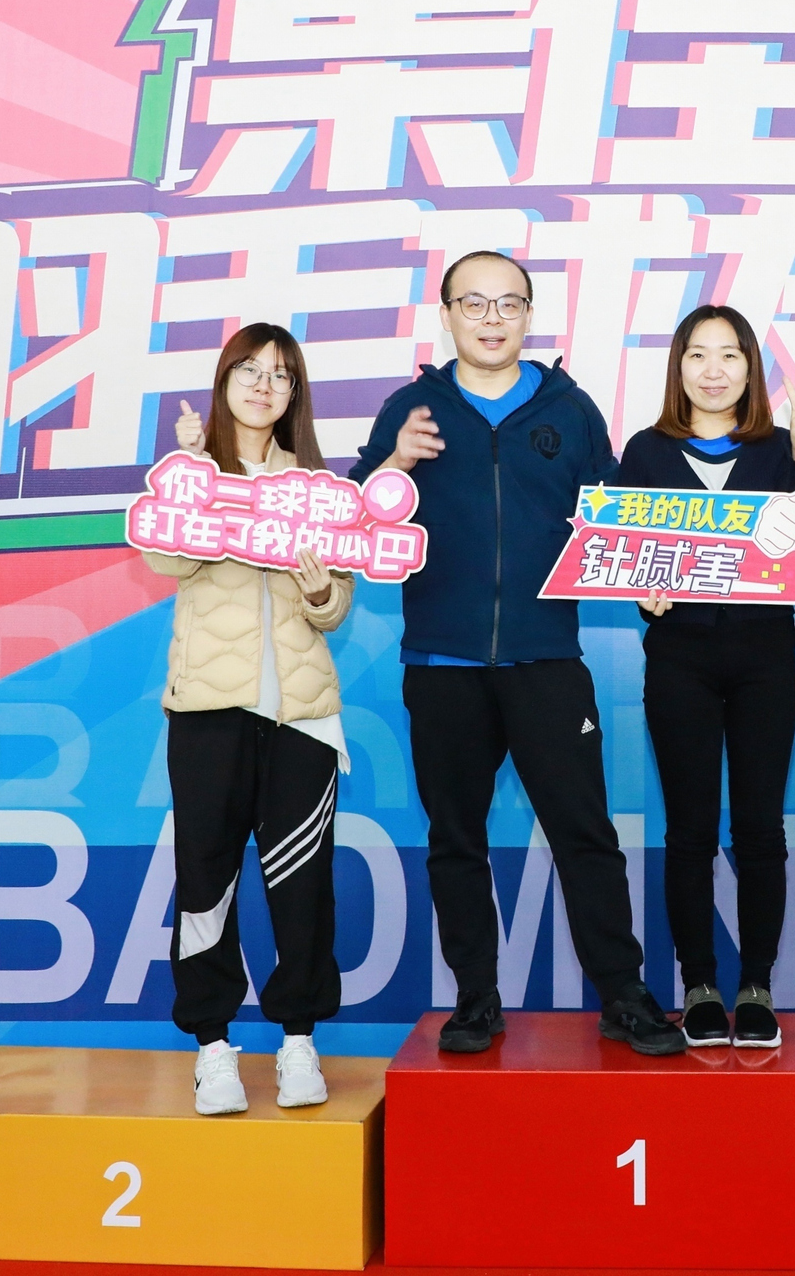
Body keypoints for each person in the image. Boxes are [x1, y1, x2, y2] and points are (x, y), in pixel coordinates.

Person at [352, 250, 685, 1056]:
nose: (492, 319)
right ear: (446, 316)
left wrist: (645, 577)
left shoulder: (569, 410)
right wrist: (395, 462)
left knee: (586, 836)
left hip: (546, 661)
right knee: (455, 840)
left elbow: (610, 519)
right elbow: (358, 520)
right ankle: (476, 999)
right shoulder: (411, 410)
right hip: (442, 664)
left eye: (508, 304)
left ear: (529, 315)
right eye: (474, 303)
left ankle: (624, 995)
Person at [143, 324, 353, 1116]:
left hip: (303, 718)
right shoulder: (192, 474)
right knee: (205, 881)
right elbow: (166, 559)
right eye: (251, 370)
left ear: (295, 394)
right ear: (224, 380)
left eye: (281, 374)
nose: (265, 385)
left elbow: (336, 606)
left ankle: (299, 1041)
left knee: (303, 886)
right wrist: (195, 477)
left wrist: (320, 588)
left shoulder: (319, 488)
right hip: (207, 713)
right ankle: (213, 1047)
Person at [617, 306, 795, 1048]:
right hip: (680, 663)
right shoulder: (645, 451)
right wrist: (641, 590)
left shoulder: (780, 449)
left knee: (760, 828)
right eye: (698, 354)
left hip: (765, 662)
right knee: (690, 831)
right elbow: (626, 551)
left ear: (750, 369)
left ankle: (757, 986)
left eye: (730, 355)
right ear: (677, 367)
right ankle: (699, 985)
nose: (714, 370)